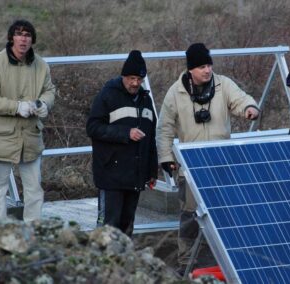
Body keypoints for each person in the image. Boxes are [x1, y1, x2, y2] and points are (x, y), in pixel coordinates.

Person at [156, 43, 260, 274]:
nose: (208, 70)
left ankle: (224, 262)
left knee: (223, 215)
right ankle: (187, 264)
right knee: (190, 218)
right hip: (189, 168)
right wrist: (165, 157)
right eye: (202, 66)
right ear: (191, 69)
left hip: (221, 164)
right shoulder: (176, 92)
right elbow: (164, 128)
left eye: (209, 64)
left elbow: (241, 99)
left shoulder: (224, 85)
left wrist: (250, 108)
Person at [0, 19, 55, 222]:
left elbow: (49, 91)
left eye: (28, 35)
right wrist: (16, 107)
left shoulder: (41, 65)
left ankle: (33, 233)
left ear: (32, 40)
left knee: (35, 190)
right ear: (12, 37)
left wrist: (44, 104)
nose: (23, 38)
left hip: (30, 138)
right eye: (19, 34)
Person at [86, 50, 158, 237]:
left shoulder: (146, 100)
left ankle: (124, 262)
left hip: (135, 175)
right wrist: (125, 133)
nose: (135, 83)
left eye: (139, 79)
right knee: (109, 226)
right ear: (123, 76)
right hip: (111, 173)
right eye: (132, 78)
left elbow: (150, 139)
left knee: (127, 225)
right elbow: (93, 127)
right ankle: (103, 263)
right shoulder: (107, 96)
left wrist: (151, 171)